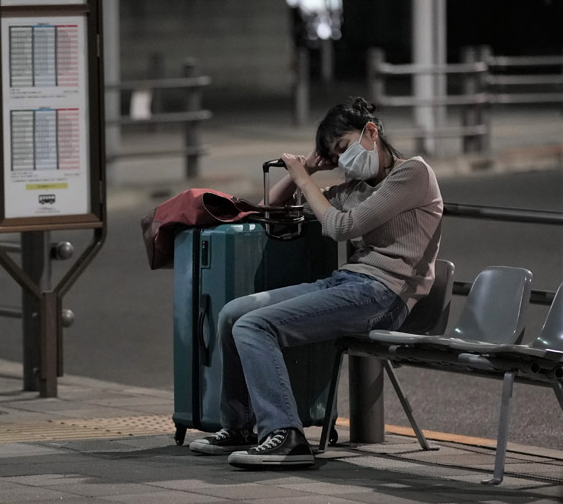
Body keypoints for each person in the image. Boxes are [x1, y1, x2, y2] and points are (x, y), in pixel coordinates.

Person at [189, 97, 443, 468]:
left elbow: (343, 227)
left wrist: (305, 179)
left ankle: (285, 435)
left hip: (385, 295)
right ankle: (242, 426)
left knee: (255, 325)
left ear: (371, 132)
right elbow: (271, 211)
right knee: (232, 314)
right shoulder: (355, 186)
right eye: (336, 156)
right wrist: (303, 169)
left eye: (344, 147)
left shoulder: (413, 174)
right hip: (349, 284)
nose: (343, 160)